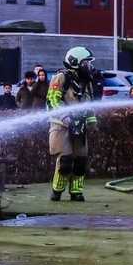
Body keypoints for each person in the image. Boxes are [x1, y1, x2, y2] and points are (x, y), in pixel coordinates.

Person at [46, 46, 100, 202]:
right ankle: (57, 191)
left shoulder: (86, 81)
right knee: (65, 161)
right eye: (85, 63)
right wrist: (64, 115)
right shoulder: (61, 78)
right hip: (61, 125)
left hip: (80, 126)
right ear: (75, 62)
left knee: (80, 160)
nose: (88, 66)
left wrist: (93, 125)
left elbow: (88, 106)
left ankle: (76, 192)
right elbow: (53, 99)